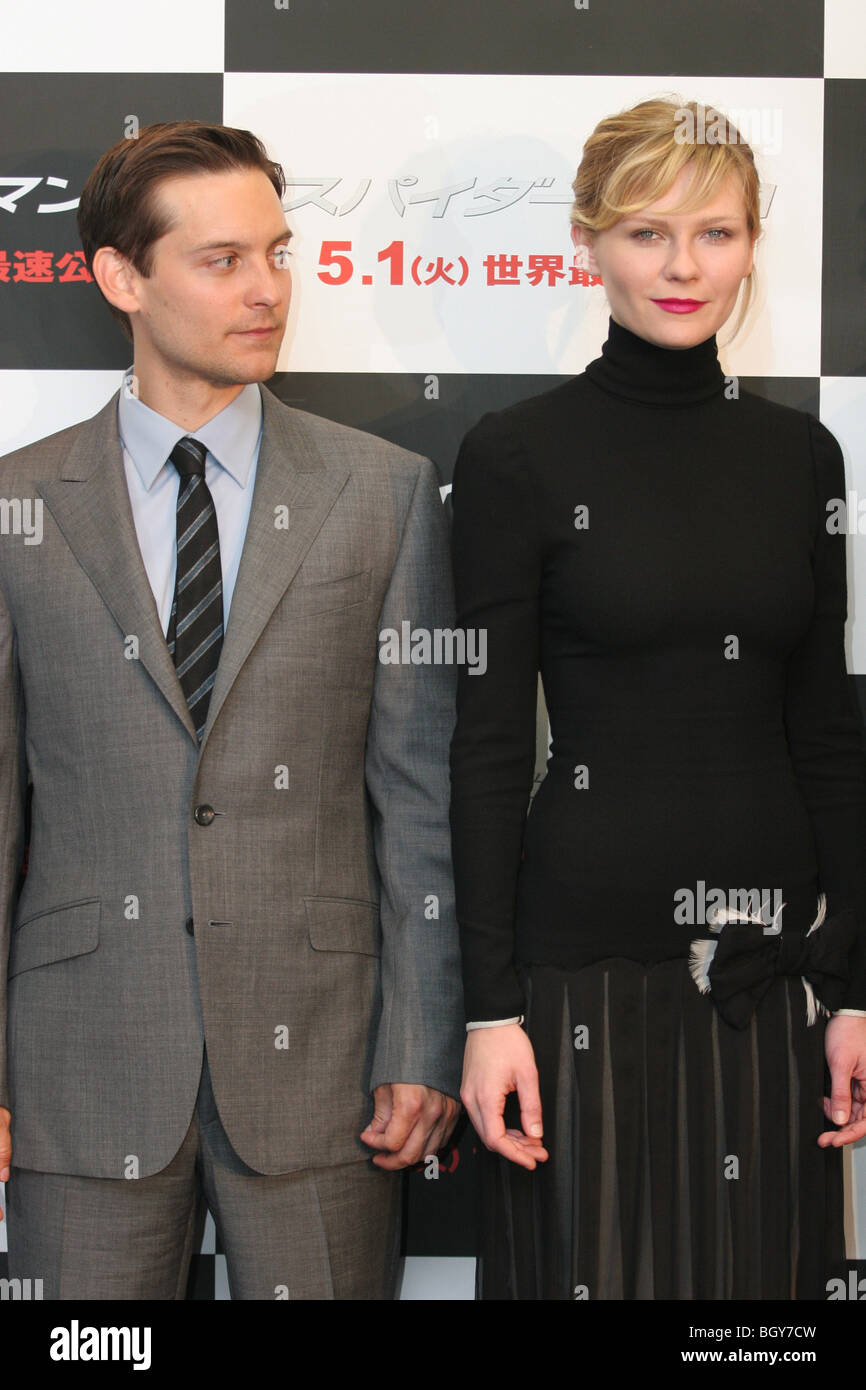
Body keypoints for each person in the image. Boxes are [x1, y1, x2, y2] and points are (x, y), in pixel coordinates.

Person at [0, 120, 462, 1300]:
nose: (267, 291)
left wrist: (419, 1042)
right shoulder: (18, 507)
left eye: (277, 251)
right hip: (76, 1065)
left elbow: (415, 792)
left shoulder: (382, 493)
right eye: (220, 261)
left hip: (326, 1066)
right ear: (121, 278)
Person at [449, 96, 866, 1300]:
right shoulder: (516, 454)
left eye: (717, 234)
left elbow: (826, 735)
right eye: (646, 233)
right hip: (577, 976)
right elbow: (483, 749)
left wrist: (851, 986)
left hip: (767, 978)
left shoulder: (799, 458)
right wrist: (487, 1012)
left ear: (750, 243)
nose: (684, 267)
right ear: (587, 240)